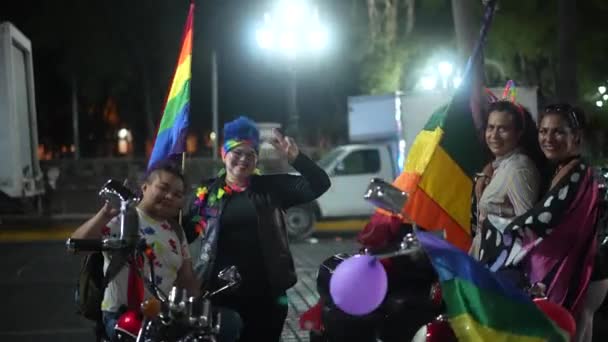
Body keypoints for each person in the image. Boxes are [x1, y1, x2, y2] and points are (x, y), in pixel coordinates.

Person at [183, 116, 331, 342]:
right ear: (224, 155)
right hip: (219, 294)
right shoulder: (207, 193)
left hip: (266, 294)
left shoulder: (272, 188)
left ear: (256, 160)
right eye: (237, 153)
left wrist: (297, 159)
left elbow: (320, 184)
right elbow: (184, 235)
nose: (243, 159)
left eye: (250, 154)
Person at [477, 104, 603, 325]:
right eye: (544, 131)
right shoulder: (557, 168)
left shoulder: (578, 173)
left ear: (576, 136)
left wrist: (493, 226)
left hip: (583, 275)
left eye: (558, 132)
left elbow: (541, 221)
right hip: (571, 272)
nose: (548, 138)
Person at [71, 161, 201, 338]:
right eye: (163, 188)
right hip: (124, 316)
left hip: (163, 316)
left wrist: (199, 308)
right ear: (145, 188)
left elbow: (186, 277)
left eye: (177, 194)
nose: (170, 196)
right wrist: (104, 214)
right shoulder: (124, 217)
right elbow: (76, 245)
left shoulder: (176, 231)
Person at [470, 100, 545, 272]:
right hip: (487, 260)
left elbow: (528, 228)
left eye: (503, 129)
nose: (494, 135)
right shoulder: (500, 165)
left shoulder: (519, 168)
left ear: (519, 133)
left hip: (502, 268)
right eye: (491, 127)